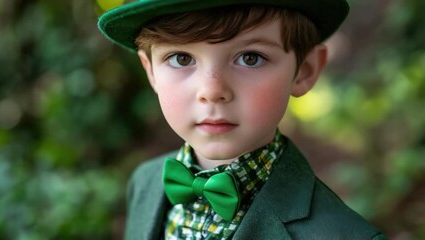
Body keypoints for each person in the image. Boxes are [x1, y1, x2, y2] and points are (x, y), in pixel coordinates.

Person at [98, 0, 387, 239]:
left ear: (305, 70)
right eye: (181, 59)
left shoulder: (345, 234)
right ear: (151, 72)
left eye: (250, 58)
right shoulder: (145, 183)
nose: (212, 92)